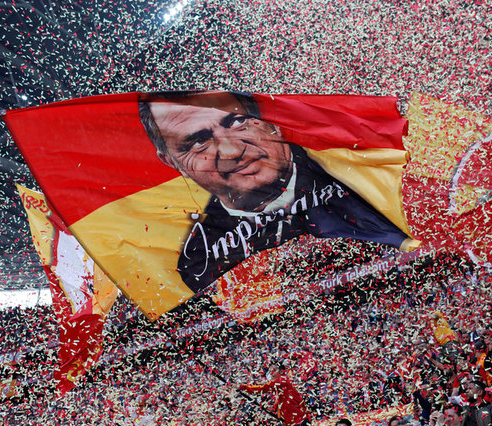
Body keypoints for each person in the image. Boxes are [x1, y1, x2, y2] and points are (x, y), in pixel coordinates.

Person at [138, 91, 414, 292]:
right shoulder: (198, 261)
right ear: (171, 162)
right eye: (198, 142)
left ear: (269, 120)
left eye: (237, 122)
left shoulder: (353, 171)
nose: (232, 151)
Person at [238, 362, 310, 426]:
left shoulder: (282, 380)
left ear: (281, 371)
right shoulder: (280, 385)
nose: (271, 373)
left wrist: (242, 387)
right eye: (270, 371)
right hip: (292, 420)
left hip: (298, 420)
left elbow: (263, 389)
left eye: (274, 370)